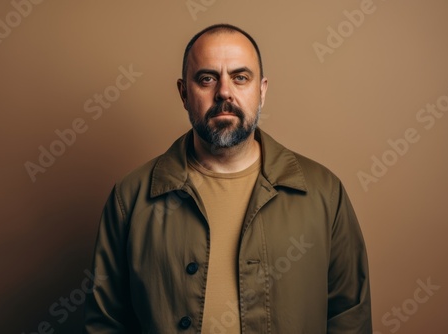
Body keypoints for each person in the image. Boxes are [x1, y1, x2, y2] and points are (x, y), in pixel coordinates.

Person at [84, 23, 372, 333]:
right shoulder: (132, 198)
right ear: (183, 93)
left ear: (261, 92)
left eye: (240, 78)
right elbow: (106, 323)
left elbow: (350, 317)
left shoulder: (323, 192)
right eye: (207, 78)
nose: (224, 91)